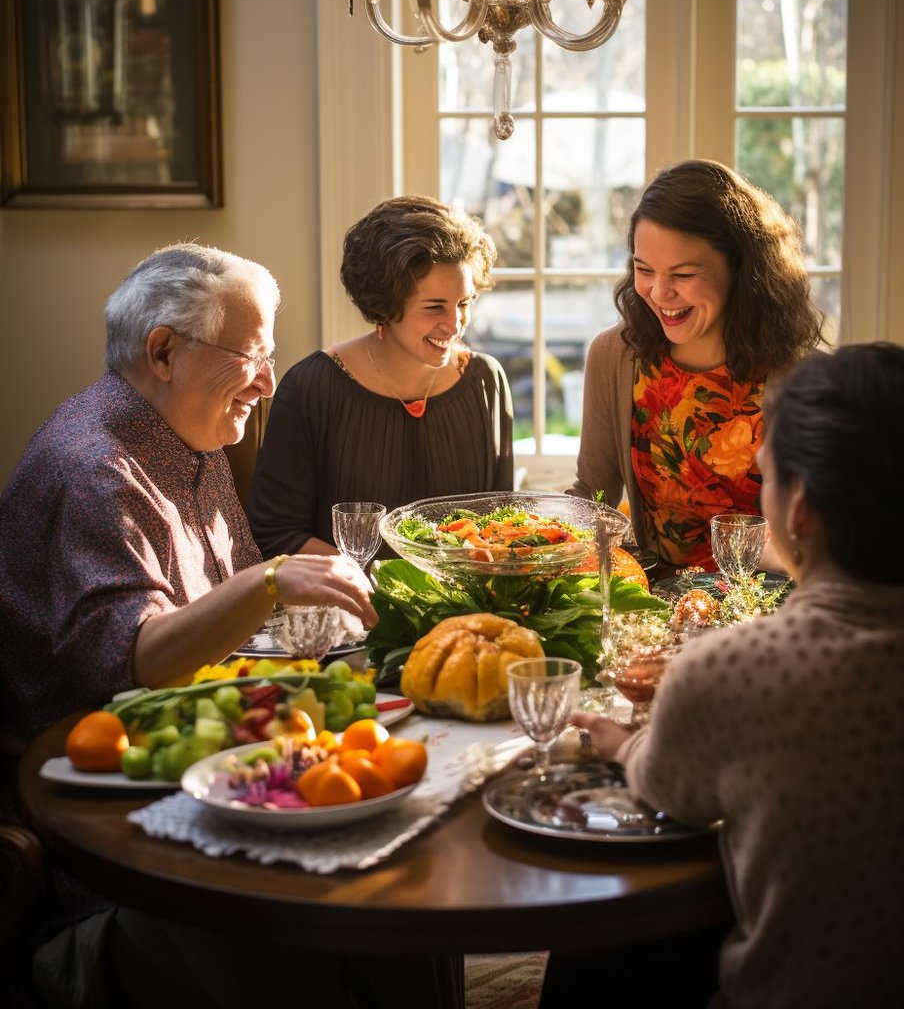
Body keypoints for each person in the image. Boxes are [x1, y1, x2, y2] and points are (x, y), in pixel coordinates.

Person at [0, 243, 457, 1009]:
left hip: (203, 765)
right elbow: (131, 661)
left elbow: (236, 632)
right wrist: (272, 581)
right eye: (251, 356)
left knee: (411, 874)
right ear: (163, 351)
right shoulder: (96, 470)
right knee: (361, 898)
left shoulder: (191, 433)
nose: (270, 383)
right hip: (110, 826)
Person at [553, 344, 904, 1008]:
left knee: (603, 943)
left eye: (763, 476)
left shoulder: (731, 668)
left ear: (796, 508)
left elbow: (664, 789)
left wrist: (622, 743)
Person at [568, 159, 824, 571]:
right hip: (655, 602)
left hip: (770, 602)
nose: (659, 292)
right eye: (643, 269)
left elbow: (820, 530)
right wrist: (533, 539)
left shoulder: (800, 376)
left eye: (683, 274)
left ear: (742, 269)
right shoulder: (614, 355)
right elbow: (591, 493)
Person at [247, 195, 514, 559]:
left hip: (466, 613)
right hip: (347, 607)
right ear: (385, 305)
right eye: (434, 306)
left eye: (464, 303)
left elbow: (501, 525)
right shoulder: (310, 388)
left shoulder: (486, 381)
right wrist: (372, 587)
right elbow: (276, 533)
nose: (455, 324)